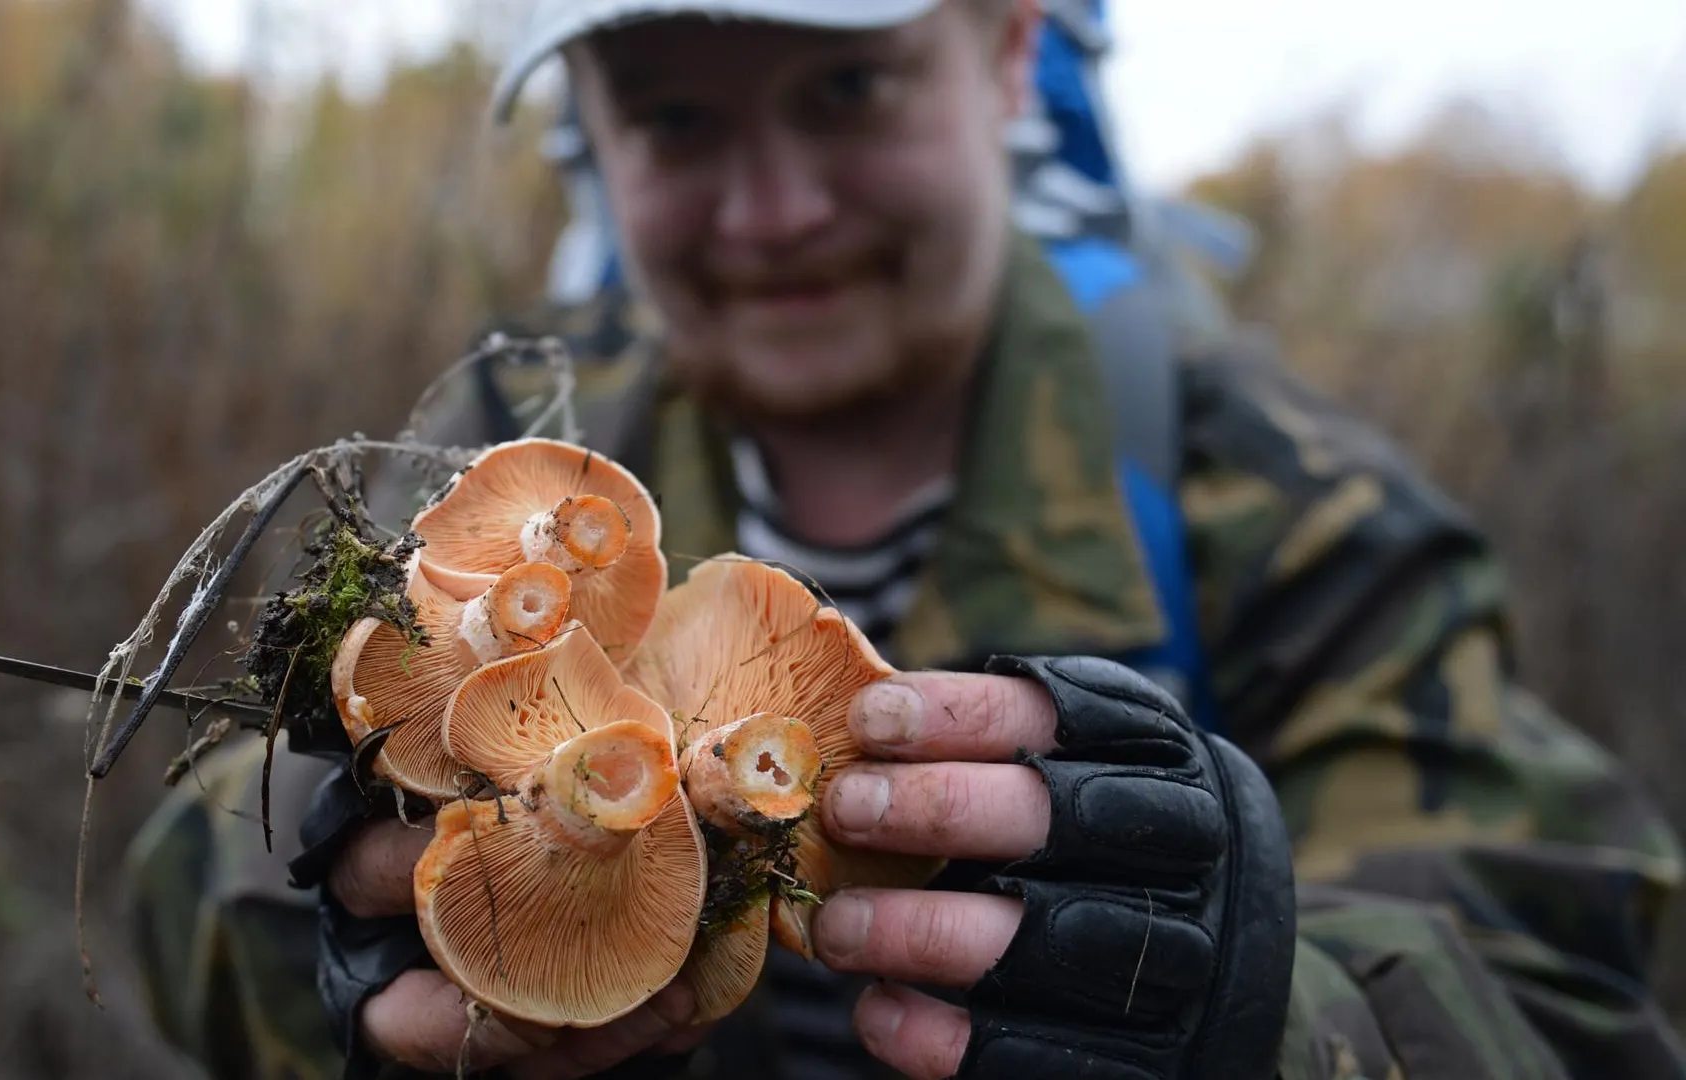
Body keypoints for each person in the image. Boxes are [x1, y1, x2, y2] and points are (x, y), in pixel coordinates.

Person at [122, 2, 1686, 1079]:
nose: (774, 208)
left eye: (848, 91)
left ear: (1008, 52)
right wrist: (337, 943)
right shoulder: (508, 455)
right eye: (674, 120)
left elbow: (1576, 992)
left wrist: (1271, 1009)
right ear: (591, 135)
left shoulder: (1284, 507)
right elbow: (195, 846)